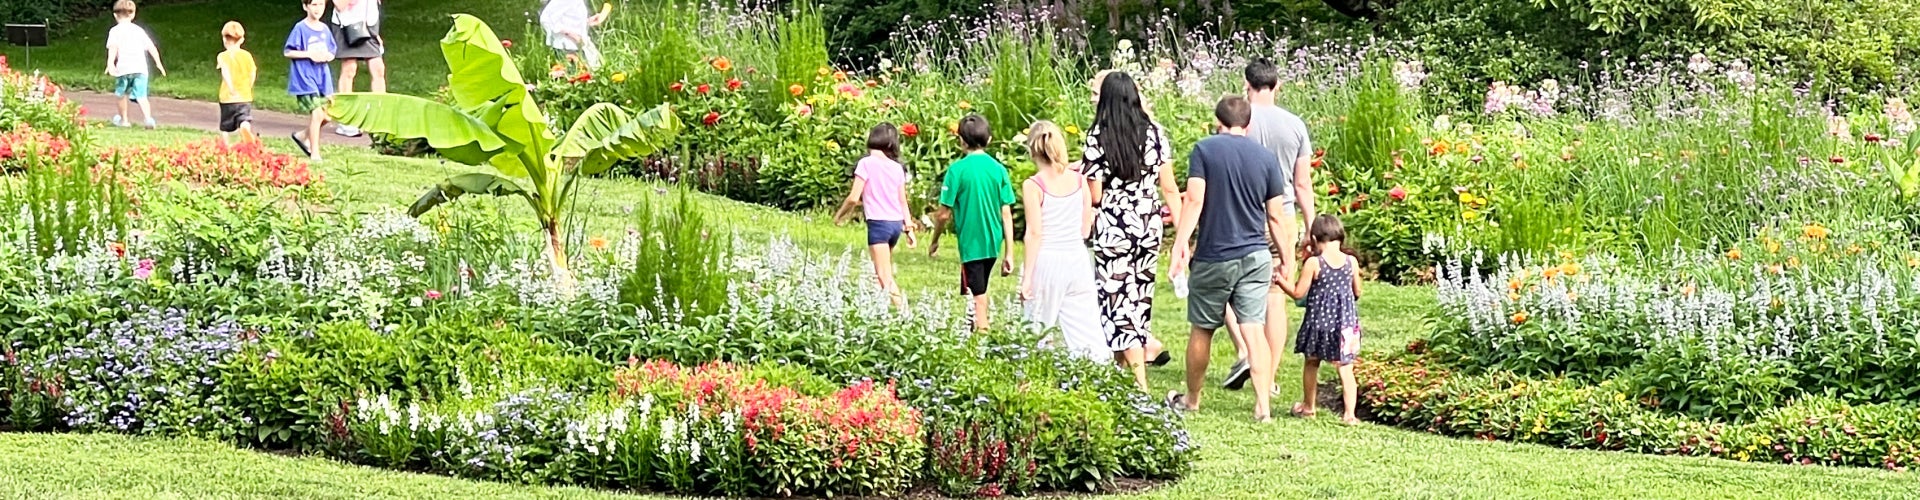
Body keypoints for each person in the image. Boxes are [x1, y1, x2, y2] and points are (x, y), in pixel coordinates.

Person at [1166, 96, 1291, 421]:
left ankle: (1192, 400)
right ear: (1248, 125)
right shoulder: (1265, 157)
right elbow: (1275, 216)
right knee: (1253, 329)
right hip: (1255, 255)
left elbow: (1194, 201)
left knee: (1202, 329)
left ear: (1217, 121)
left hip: (1213, 255)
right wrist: (1287, 256)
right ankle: (1263, 406)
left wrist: (1181, 244)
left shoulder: (1204, 150)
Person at [1222, 58, 1318, 392]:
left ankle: (1247, 351)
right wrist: (1311, 225)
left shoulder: (1236, 121)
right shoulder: (1294, 125)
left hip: (1240, 213)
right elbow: (1302, 183)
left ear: (1246, 84)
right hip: (1283, 214)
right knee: (1276, 295)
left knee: (1228, 286)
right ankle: (1271, 375)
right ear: (1277, 86)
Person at [1084, 71, 1179, 392]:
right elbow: (1169, 186)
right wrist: (1181, 235)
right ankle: (1120, 372)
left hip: (1113, 223)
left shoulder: (1098, 135)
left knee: (1116, 299)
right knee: (1139, 296)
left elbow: (1095, 194)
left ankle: (1139, 381)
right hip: (1147, 222)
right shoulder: (1154, 133)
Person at [1019, 121, 1104, 360]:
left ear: (1032, 150)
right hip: (1077, 258)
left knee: (1036, 326)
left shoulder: (1033, 185)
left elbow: (1034, 233)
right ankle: (1099, 372)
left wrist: (1027, 278)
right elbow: (1085, 229)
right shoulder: (1079, 181)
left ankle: (1031, 377)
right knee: (1086, 327)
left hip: (1048, 258)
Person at [1275, 214, 1362, 425]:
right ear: (1340, 237)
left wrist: (1279, 280)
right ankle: (1350, 415)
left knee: (1312, 363)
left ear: (1314, 239)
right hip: (1346, 324)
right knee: (1345, 367)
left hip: (1319, 323)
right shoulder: (1351, 262)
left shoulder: (1315, 263)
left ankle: (1309, 408)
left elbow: (1298, 293)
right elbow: (1357, 291)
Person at [933, 114, 1015, 332]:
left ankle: (982, 336)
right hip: (993, 243)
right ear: (989, 140)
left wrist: (934, 240)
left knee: (978, 296)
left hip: (972, 243)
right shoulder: (999, 169)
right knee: (975, 290)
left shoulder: (956, 170)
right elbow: (1006, 213)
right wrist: (1010, 253)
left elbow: (943, 214)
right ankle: (972, 331)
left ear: (960, 141)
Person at [833, 123, 917, 309]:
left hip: (878, 225)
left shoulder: (865, 164)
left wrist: (839, 215)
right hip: (895, 225)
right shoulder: (897, 168)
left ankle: (905, 313)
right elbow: (903, 201)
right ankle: (876, 309)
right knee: (878, 270)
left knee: (884, 276)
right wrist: (909, 228)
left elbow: (854, 198)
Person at [286, 0, 337, 162]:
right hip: (305, 78)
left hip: (322, 77)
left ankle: (302, 136)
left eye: (321, 5)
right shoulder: (300, 28)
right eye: (314, 5)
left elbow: (332, 51)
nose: (318, 9)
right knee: (316, 114)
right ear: (305, 6)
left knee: (327, 117)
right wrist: (308, 54)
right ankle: (314, 152)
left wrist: (328, 56)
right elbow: (288, 52)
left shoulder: (325, 29)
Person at [104, 0, 166, 129]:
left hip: (124, 69)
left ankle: (124, 120)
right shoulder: (139, 31)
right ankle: (148, 119)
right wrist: (158, 63)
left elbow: (113, 49)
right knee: (142, 95)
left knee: (121, 94)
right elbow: (151, 47)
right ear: (133, 15)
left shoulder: (115, 31)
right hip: (140, 69)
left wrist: (110, 64)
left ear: (115, 15)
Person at [330, 0, 384, 137]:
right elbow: (340, 5)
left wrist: (375, 32)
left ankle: (380, 116)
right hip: (347, 26)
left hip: (368, 26)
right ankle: (345, 119)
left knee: (378, 68)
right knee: (349, 68)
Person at [216, 21, 257, 147]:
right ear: (242, 40)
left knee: (225, 126)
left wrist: (231, 88)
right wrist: (249, 86)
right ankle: (245, 128)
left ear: (224, 39)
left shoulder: (223, 56)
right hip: (245, 96)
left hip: (228, 97)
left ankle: (226, 145)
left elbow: (225, 72)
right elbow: (252, 73)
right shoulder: (247, 56)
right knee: (244, 118)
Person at [541, 0, 610, 71]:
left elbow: (568, 19)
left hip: (578, 45)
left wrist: (587, 21)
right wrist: (572, 34)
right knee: (577, 76)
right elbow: (546, 19)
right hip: (567, 47)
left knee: (594, 71)